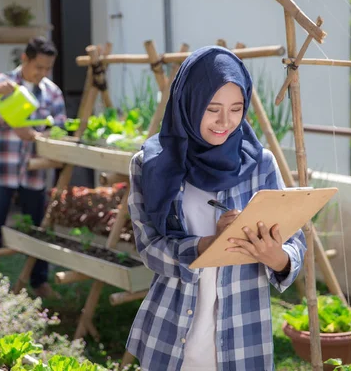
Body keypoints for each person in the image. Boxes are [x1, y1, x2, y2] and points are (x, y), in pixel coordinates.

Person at [126, 46, 307, 370]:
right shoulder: (150, 165)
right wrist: (209, 245)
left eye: (237, 108)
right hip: (171, 334)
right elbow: (150, 248)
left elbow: (294, 244)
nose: (226, 122)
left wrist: (275, 257)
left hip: (242, 335)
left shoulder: (259, 163)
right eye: (212, 108)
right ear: (188, 102)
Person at [0, 36, 67, 298]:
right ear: (25, 59)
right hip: (1, 170)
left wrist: (36, 135)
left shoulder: (52, 92)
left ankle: (39, 282)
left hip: (34, 172)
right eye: (39, 67)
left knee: (39, 229)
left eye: (47, 68)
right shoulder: (1, 82)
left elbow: (60, 130)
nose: (42, 73)